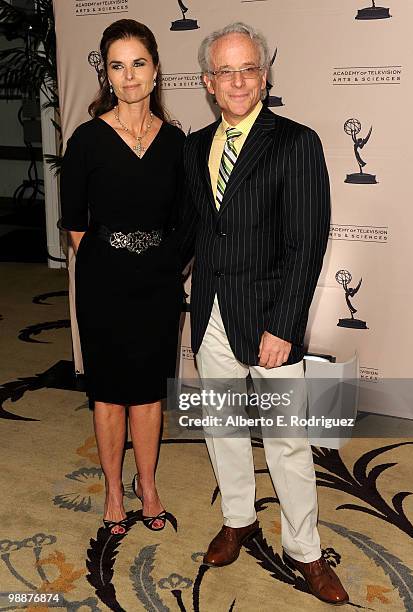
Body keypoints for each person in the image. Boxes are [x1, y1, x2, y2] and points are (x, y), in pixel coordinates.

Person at [178, 22, 349, 604]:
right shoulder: (195, 145)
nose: (238, 81)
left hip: (270, 319)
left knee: (286, 441)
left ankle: (305, 550)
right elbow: (195, 233)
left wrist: (284, 326)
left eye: (249, 68)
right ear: (207, 81)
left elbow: (308, 241)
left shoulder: (296, 142)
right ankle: (239, 518)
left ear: (265, 75)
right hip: (211, 316)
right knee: (222, 428)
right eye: (225, 71)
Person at [60, 19, 185, 534]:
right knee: (110, 391)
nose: (129, 76)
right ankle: (114, 489)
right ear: (107, 75)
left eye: (139, 64)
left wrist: (159, 265)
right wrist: (111, 263)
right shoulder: (87, 140)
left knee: (149, 392)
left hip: (158, 285)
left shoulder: (177, 142)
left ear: (155, 71)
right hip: (104, 285)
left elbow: (184, 219)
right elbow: (73, 224)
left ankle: (147, 484)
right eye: (118, 66)